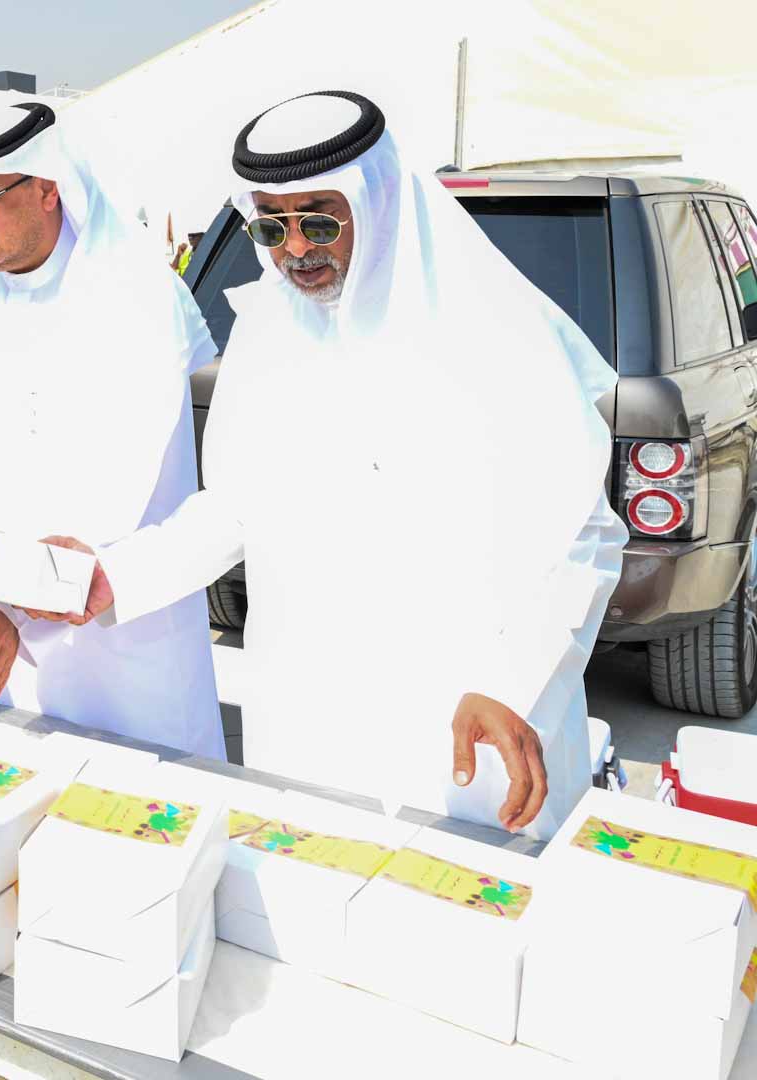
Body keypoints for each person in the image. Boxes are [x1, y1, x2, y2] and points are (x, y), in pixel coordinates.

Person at [77, 91, 623, 838]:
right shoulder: (268, 331)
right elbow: (235, 509)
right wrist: (117, 573)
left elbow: (583, 533)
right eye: (271, 225)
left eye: (319, 219)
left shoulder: (490, 330)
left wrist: (515, 687)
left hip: (464, 720)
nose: (295, 247)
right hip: (309, 719)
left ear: (382, 198)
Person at [0, 103, 225, 756]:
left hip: (116, 642)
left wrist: (19, 609)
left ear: (48, 190)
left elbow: (120, 486)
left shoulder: (138, 299)